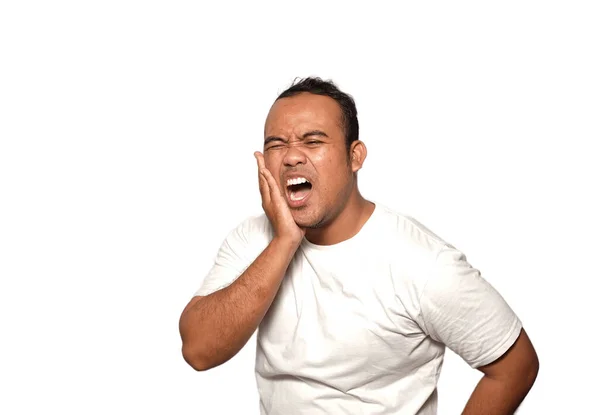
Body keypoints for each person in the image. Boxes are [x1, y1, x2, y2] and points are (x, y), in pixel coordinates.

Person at [179, 77, 539, 414]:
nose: (291, 157)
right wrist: (286, 240)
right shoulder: (252, 239)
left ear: (355, 157)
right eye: (276, 144)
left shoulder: (423, 264)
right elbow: (199, 350)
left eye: (313, 141)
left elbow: (516, 367)